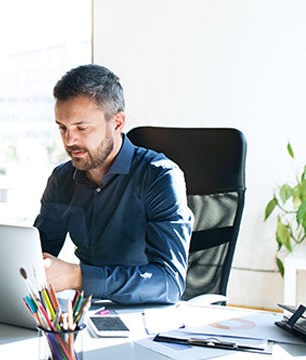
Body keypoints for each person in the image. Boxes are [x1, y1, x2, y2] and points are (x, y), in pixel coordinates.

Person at [34, 64, 193, 305]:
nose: (69, 140)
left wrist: (77, 276)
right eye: (62, 128)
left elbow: (169, 283)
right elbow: (35, 256)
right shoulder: (61, 180)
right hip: (87, 312)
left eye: (82, 127)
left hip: (148, 315)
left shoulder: (160, 177)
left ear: (117, 123)